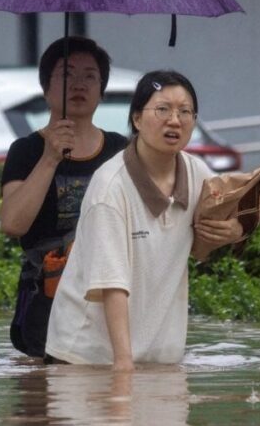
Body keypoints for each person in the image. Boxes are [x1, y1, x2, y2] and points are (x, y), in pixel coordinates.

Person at [45, 70, 242, 369]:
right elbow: (112, 285)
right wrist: (123, 368)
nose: (174, 120)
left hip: (158, 357)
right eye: (162, 109)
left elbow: (235, 210)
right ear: (137, 119)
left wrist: (233, 229)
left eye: (185, 111)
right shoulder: (110, 188)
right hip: (86, 359)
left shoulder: (196, 173)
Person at [0, 36, 129, 359]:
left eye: (90, 76)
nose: (79, 84)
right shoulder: (26, 151)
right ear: (46, 88)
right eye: (67, 74)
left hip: (107, 295)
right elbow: (13, 223)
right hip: (48, 300)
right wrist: (49, 158)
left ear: (101, 90)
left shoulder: (121, 151)